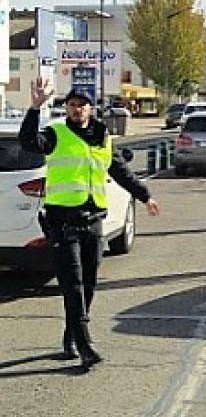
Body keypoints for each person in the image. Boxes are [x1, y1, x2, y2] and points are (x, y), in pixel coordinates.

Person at [19, 79, 161, 371]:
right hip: (61, 220)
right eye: (72, 105)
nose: (76, 109)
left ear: (90, 108)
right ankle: (84, 345)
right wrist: (34, 107)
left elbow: (118, 169)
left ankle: (71, 336)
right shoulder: (56, 133)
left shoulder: (102, 135)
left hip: (93, 219)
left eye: (82, 105)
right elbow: (29, 142)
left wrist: (144, 196)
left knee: (90, 283)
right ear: (67, 108)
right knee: (72, 283)